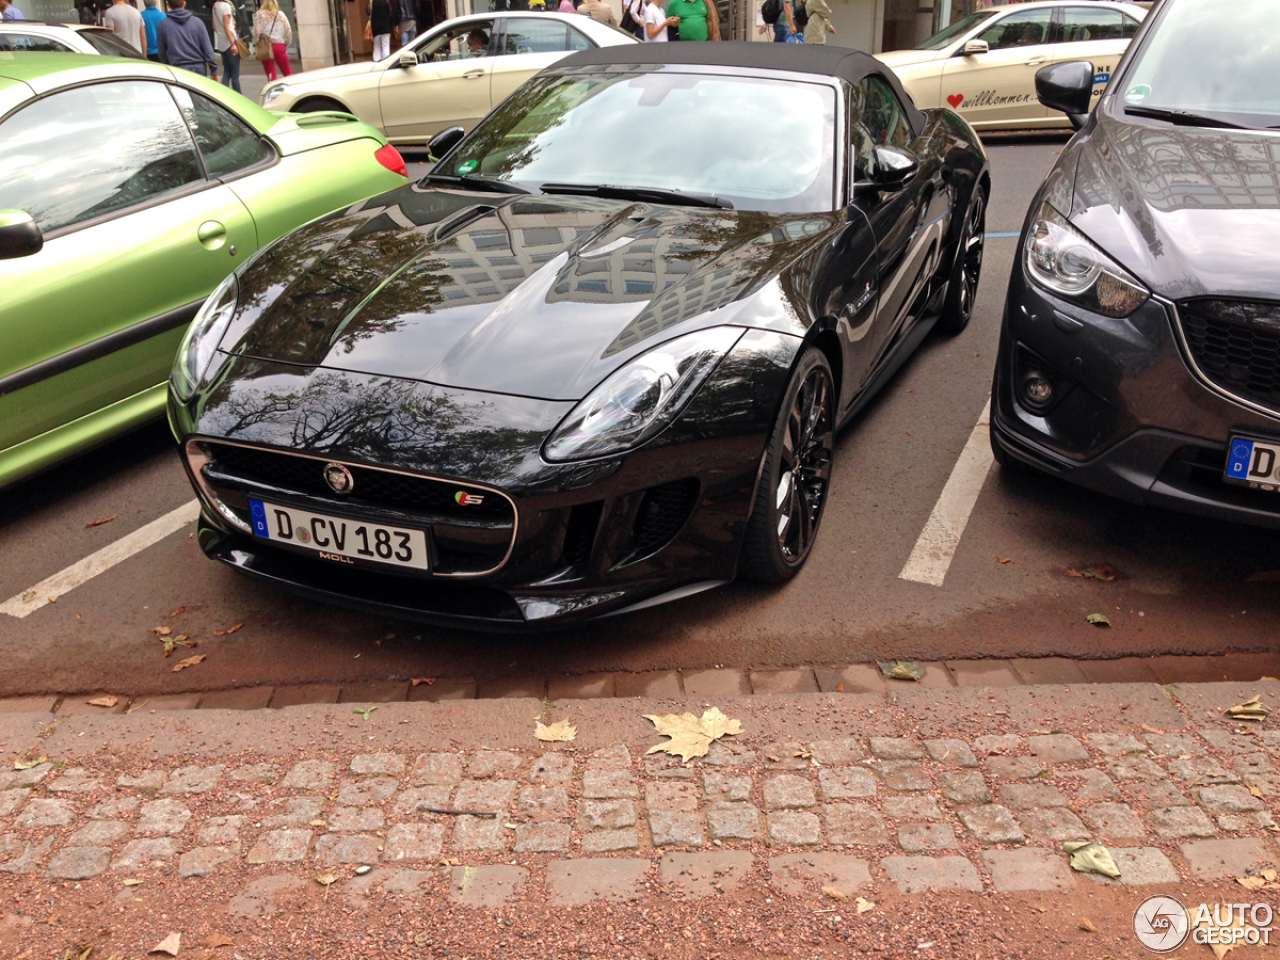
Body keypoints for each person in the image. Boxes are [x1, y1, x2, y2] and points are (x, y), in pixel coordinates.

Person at [158, 0, 218, 79]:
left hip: (178, 68)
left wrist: (167, 65)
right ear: (184, 3)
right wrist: (213, 69)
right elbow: (207, 47)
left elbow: (162, 50)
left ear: (168, 5)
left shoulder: (163, 25)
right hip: (199, 67)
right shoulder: (198, 22)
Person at [254, 0, 292, 81]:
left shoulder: (259, 14)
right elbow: (288, 31)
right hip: (279, 46)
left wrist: (258, 43)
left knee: (271, 75)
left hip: (266, 47)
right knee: (288, 74)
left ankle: (274, 91)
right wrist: (286, 45)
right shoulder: (281, 15)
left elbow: (257, 32)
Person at [212, 0, 239, 92]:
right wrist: (233, 43)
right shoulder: (226, 6)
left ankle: (224, 92)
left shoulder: (215, 6)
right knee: (235, 73)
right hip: (229, 41)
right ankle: (238, 94)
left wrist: (220, 34)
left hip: (221, 42)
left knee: (227, 71)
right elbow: (226, 26)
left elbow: (214, 26)